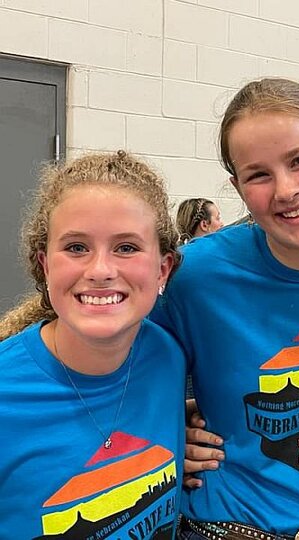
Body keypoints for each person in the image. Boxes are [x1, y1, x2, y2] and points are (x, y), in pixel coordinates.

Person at [150, 78, 299, 539]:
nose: (287, 189)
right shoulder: (197, 274)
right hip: (229, 525)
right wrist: (167, 431)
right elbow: (120, 367)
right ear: (238, 187)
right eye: (259, 174)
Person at [0, 151, 186, 538]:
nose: (100, 270)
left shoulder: (166, 357)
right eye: (77, 248)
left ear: (162, 269)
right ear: (46, 265)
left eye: (126, 248)